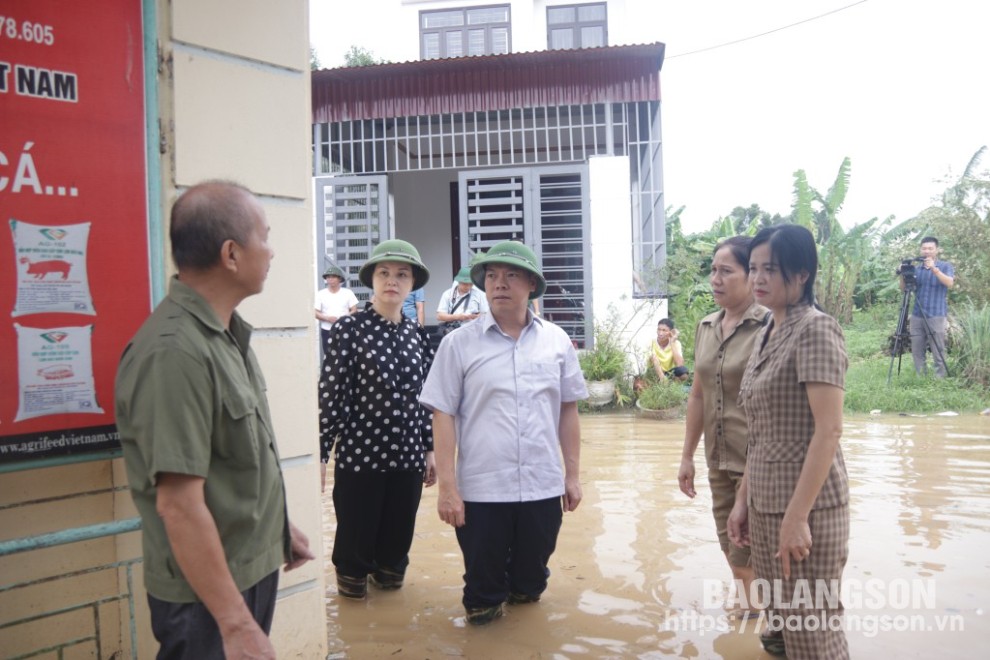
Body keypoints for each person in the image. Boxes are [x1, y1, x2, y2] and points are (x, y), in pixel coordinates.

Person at [115, 181, 314, 659]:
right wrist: (235, 624)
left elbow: (233, 459)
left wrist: (277, 529)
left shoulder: (223, 334)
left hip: (245, 570)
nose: (272, 252)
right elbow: (178, 505)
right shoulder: (175, 353)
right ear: (231, 254)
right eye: (264, 236)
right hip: (207, 598)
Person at [419, 240, 587, 626]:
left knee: (530, 590)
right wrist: (447, 487)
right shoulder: (458, 344)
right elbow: (442, 416)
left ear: (531, 284)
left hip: (542, 488)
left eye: (511, 275)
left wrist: (573, 476)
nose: (499, 283)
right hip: (482, 493)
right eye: (492, 276)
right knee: (482, 599)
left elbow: (568, 410)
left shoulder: (556, 342)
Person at [728, 224, 850, 659]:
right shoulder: (767, 331)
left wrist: (797, 518)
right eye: (754, 268)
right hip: (765, 506)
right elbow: (760, 433)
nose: (758, 278)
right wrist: (743, 500)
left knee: (812, 631)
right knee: (781, 624)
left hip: (806, 512)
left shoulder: (816, 329)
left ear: (801, 274)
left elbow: (828, 430)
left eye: (771, 269)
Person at [318, 239, 437, 599]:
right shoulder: (349, 330)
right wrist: (322, 454)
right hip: (360, 457)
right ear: (372, 279)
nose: (392, 281)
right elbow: (332, 395)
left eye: (402, 274)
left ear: (412, 283)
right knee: (354, 553)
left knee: (394, 564)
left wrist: (429, 449)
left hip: (407, 456)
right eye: (384, 273)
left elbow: (424, 399)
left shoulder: (417, 335)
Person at [677, 236, 767, 618]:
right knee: (727, 539)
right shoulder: (706, 326)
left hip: (759, 460)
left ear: (752, 275)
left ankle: (754, 614)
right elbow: (697, 396)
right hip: (718, 457)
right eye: (713, 270)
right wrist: (686, 456)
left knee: (751, 542)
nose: (715, 278)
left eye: (726, 271)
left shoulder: (769, 325)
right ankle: (749, 606)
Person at [909, 236, 954, 377]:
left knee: (938, 348)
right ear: (920, 250)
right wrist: (903, 274)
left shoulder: (945, 266)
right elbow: (905, 288)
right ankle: (921, 377)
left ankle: (940, 379)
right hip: (917, 314)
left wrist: (934, 269)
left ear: (936, 250)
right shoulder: (917, 269)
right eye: (924, 248)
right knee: (917, 349)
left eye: (930, 248)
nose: (927, 251)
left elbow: (949, 283)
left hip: (936, 314)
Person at [315, 265, 358, 349]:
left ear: (339, 279)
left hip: (345, 329)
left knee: (346, 354)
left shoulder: (348, 293)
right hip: (327, 330)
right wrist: (327, 318)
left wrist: (344, 318)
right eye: (328, 277)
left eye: (333, 277)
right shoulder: (320, 294)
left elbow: (354, 310)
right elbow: (315, 312)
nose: (330, 279)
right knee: (329, 355)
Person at [436, 266, 488, 334]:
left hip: (473, 332)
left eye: (471, 284)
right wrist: (458, 317)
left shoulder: (478, 294)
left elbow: (485, 314)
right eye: (465, 284)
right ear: (459, 281)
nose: (468, 287)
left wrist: (477, 316)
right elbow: (439, 316)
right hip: (453, 332)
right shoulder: (448, 294)